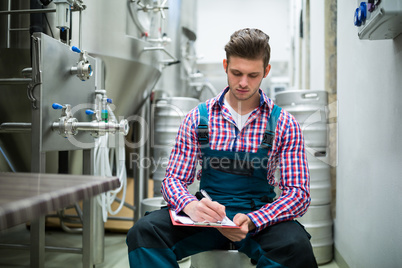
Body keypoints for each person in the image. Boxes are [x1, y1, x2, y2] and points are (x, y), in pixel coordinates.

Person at [127, 28, 317, 268]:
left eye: (253, 75)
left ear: (266, 72)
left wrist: (254, 219)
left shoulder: (284, 124)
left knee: (296, 247)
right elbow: (173, 180)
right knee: (144, 233)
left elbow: (298, 194)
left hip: (258, 219)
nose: (243, 83)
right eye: (236, 73)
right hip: (206, 217)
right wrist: (191, 206)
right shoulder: (197, 118)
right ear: (225, 65)